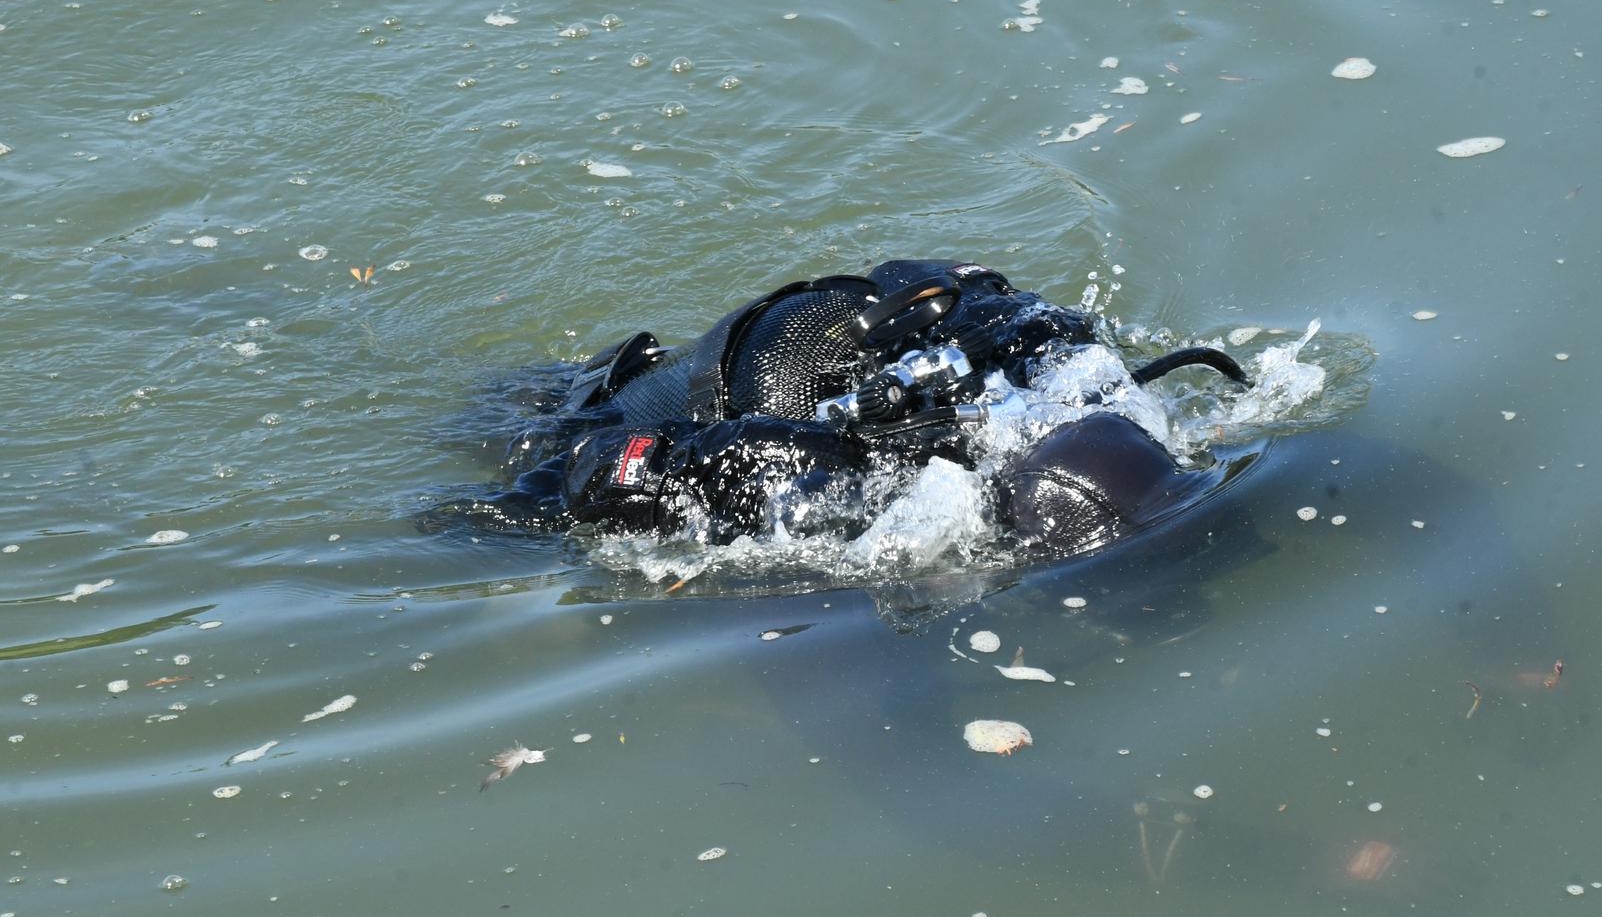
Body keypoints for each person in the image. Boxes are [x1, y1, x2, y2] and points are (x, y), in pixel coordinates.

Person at [449, 259, 1250, 556]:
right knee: (483, 521)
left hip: (808, 337)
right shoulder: (816, 470)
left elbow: (958, 278)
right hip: (601, 415)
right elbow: (599, 475)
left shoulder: (1059, 365)